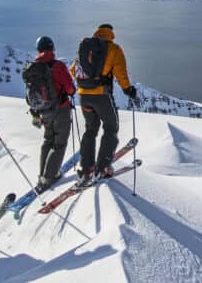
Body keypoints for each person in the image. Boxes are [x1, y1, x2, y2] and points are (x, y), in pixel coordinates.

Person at [70, 23, 137, 186]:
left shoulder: (86, 48)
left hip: (83, 96)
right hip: (101, 95)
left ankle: (86, 168)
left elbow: (73, 70)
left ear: (98, 32)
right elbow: (121, 72)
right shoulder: (114, 49)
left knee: (90, 130)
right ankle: (103, 167)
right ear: (110, 34)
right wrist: (128, 89)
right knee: (111, 127)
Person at [25, 35, 76, 193]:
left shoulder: (32, 69)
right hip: (60, 108)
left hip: (43, 111)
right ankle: (50, 176)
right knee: (59, 143)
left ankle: (43, 174)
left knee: (48, 140)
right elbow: (70, 88)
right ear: (52, 48)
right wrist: (70, 91)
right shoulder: (57, 66)